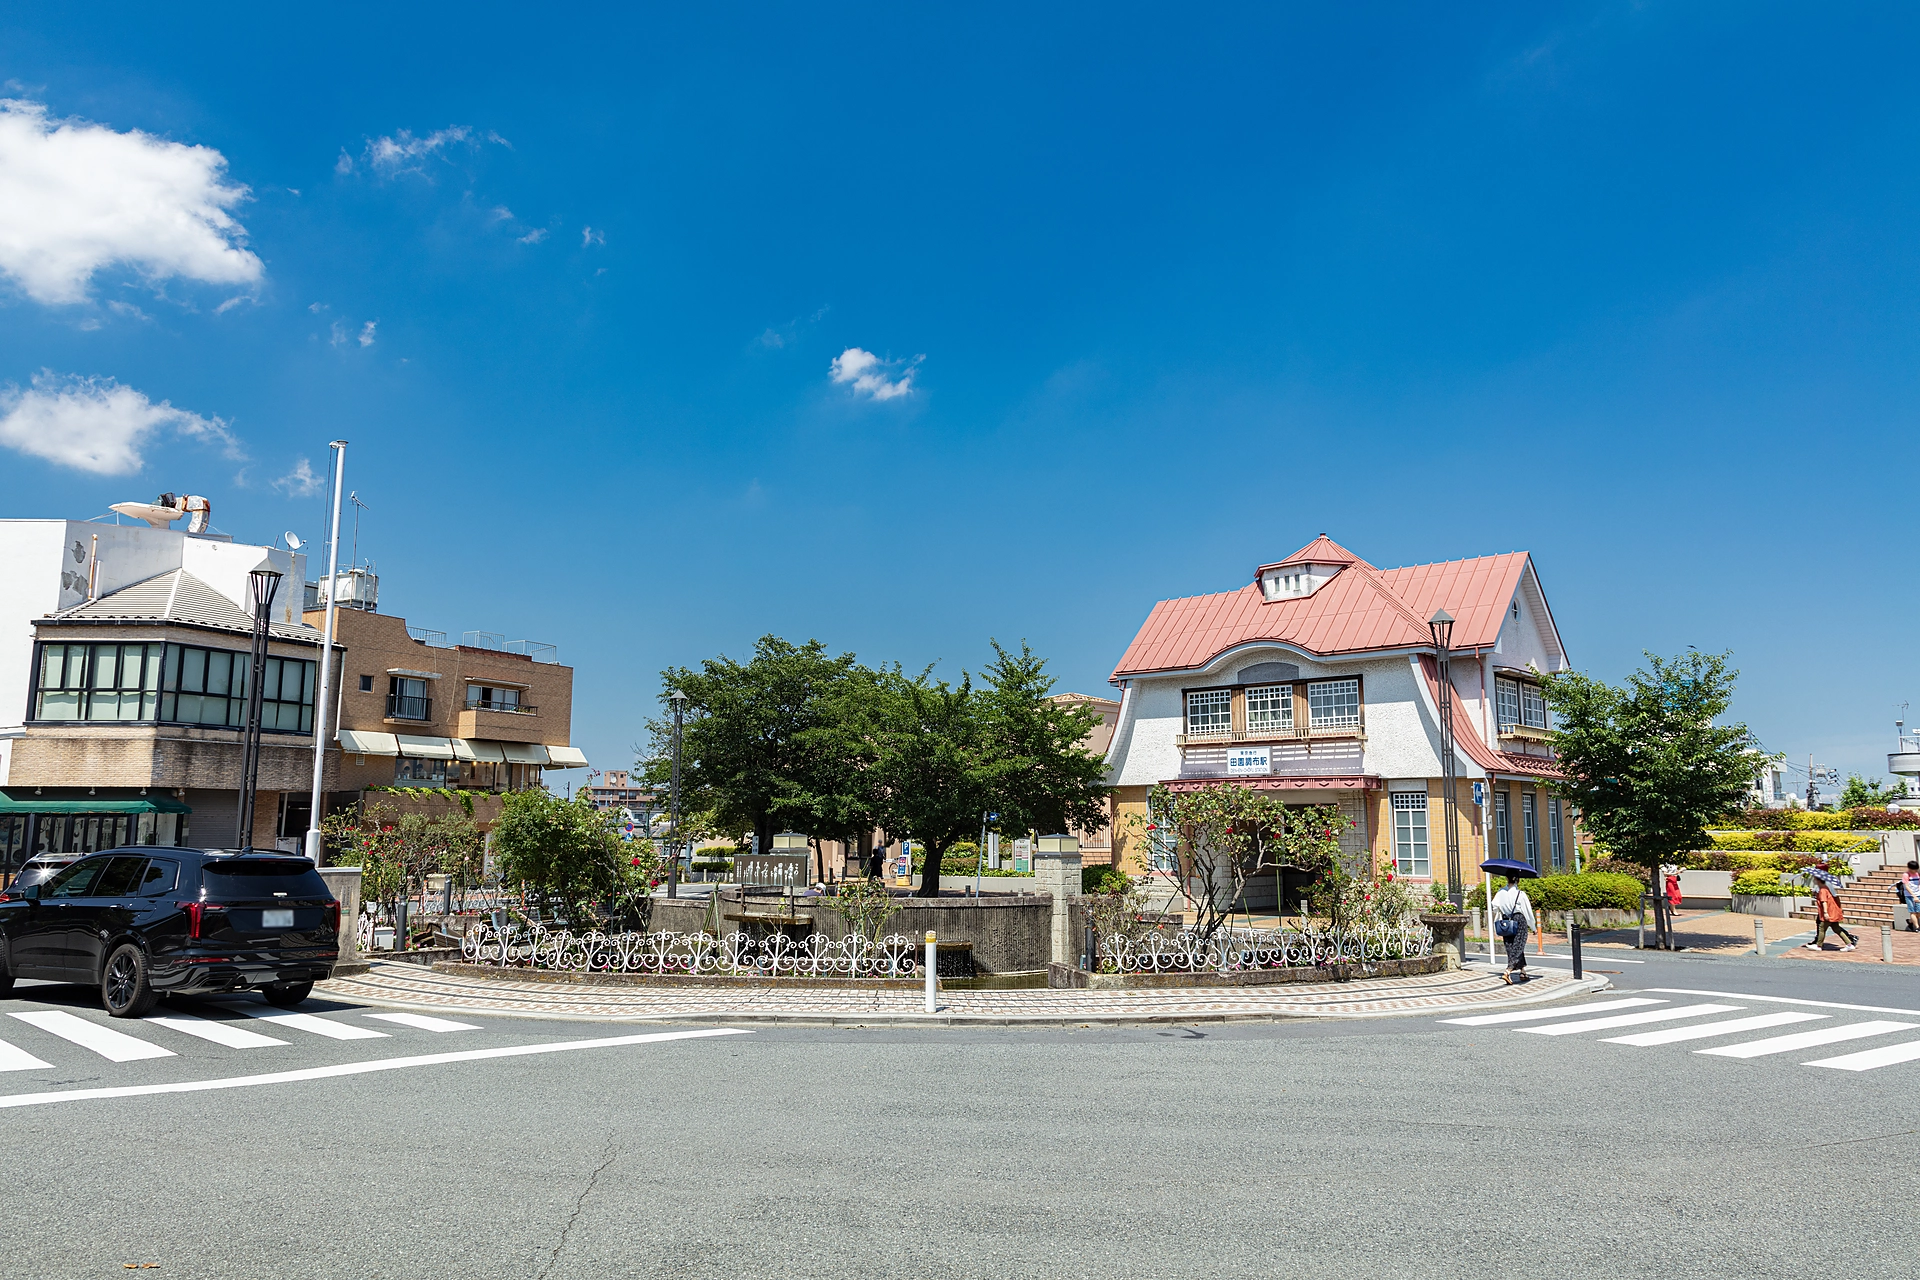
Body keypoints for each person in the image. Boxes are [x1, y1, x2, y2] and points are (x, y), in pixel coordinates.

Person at [1491, 874, 1536, 984]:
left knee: (1511, 946)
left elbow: (1494, 906)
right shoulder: (1520, 894)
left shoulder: (1500, 892)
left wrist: (1504, 909)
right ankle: (1508, 971)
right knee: (1518, 945)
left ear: (1507, 878)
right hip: (1518, 919)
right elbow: (1527, 911)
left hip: (1506, 920)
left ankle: (1523, 972)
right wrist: (1533, 926)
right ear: (1517, 880)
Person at [1806, 865, 1857, 952]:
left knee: (1822, 928)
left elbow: (1824, 901)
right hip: (1832, 911)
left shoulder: (1823, 889)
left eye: (1815, 879)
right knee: (1836, 928)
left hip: (1828, 912)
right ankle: (1849, 944)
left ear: (1819, 880)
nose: (1814, 881)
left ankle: (1818, 945)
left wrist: (1825, 912)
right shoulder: (1824, 888)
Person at [1898, 860, 1920, 933]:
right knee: (1913, 911)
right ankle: (1917, 927)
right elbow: (1906, 886)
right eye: (1914, 869)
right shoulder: (1906, 875)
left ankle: (1910, 921)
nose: (1915, 871)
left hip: (1918, 894)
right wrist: (1913, 896)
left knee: (1918, 911)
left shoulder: (1918, 874)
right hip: (1909, 895)